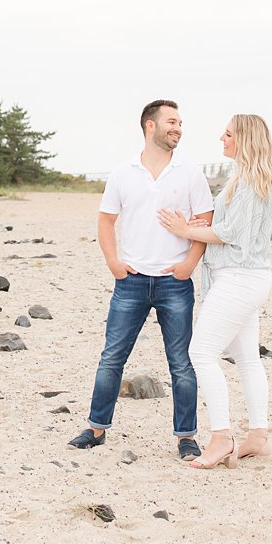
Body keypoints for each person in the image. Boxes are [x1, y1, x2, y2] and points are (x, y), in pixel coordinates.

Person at [68, 99, 214, 461]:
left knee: (181, 362)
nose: (178, 128)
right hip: (130, 282)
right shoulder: (122, 173)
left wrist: (188, 266)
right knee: (112, 357)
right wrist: (113, 261)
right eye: (172, 122)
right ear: (150, 126)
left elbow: (205, 221)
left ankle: (186, 437)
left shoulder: (190, 173)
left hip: (174, 282)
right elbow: (105, 220)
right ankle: (96, 428)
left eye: (180, 123)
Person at [157, 114, 272, 469]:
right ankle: (258, 436)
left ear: (245, 139)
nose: (221, 138)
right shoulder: (248, 178)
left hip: (239, 278)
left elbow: (229, 235)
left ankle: (221, 437)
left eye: (227, 134)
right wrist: (198, 227)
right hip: (248, 277)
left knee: (202, 353)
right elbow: (229, 227)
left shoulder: (251, 180)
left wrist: (184, 229)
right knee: (247, 359)